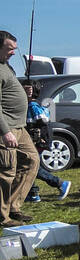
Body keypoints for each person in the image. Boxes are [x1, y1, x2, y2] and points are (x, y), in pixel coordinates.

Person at [0, 31, 40, 225]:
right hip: (6, 128)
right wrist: (5, 131)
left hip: (20, 126)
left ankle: (13, 206)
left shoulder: (6, 66)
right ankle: (2, 216)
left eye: (14, 49)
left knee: (32, 160)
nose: (13, 53)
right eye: (9, 49)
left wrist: (24, 92)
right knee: (7, 172)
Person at [18, 78, 72, 202]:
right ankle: (32, 193)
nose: (27, 91)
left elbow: (43, 120)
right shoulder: (28, 105)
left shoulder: (33, 106)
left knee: (31, 166)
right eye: (24, 88)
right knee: (30, 165)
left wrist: (41, 138)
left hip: (37, 141)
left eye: (29, 89)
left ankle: (59, 183)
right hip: (33, 140)